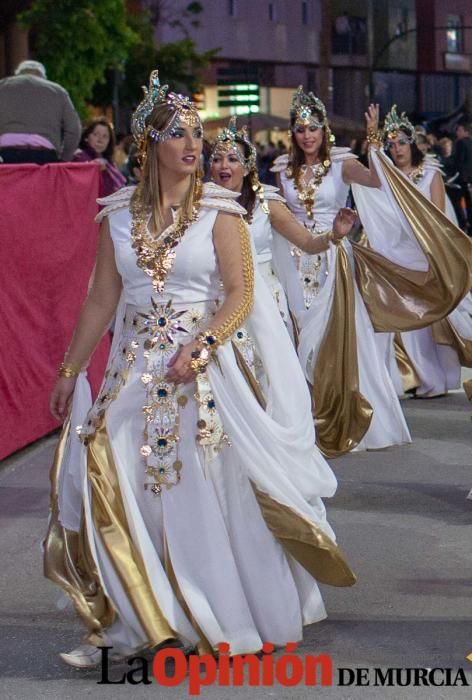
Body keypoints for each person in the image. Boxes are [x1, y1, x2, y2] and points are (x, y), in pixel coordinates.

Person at [46, 70, 355, 668]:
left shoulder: (223, 213)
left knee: (194, 486)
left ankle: (204, 612)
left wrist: (204, 345)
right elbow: (101, 301)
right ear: (149, 146)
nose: (193, 146)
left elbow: (240, 292)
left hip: (201, 376)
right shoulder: (116, 217)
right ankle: (134, 618)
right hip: (131, 373)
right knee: (110, 465)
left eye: (197, 135)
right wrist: (70, 369)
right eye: (177, 135)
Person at [271, 87, 411, 457]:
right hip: (293, 260)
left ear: (325, 130)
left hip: (334, 258)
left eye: (314, 128)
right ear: (293, 134)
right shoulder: (281, 171)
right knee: (298, 337)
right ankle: (311, 417)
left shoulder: (342, 165)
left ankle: (346, 416)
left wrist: (374, 140)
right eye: (301, 129)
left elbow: (379, 181)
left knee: (337, 336)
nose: (308, 135)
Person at [209, 117, 355, 337]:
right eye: (217, 159)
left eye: (233, 159)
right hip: (216, 306)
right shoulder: (199, 207)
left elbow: (307, 242)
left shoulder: (266, 203)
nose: (224, 166)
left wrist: (334, 234)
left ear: (248, 168)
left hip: (263, 303)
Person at [363, 106, 472, 397]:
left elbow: (437, 218)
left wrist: (435, 255)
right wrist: (372, 133)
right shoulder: (386, 178)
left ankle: (435, 376)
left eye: (401, 142)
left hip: (425, 255)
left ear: (412, 144)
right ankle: (410, 376)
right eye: (391, 144)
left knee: (432, 318)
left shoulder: (430, 174)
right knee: (404, 317)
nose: (396, 149)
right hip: (396, 254)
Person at [0, 60, 81, 164]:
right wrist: (65, 158)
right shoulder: (58, 91)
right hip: (44, 156)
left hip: (5, 154)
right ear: (43, 76)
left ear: (17, 74)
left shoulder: (2, 86)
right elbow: (74, 129)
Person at [73, 117, 126, 197]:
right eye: (96, 134)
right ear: (86, 137)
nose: (100, 140)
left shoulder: (108, 163)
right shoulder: (80, 158)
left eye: (105, 136)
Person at [451, 120, 472, 234]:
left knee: (456, 201)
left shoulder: (460, 143)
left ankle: (461, 224)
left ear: (465, 131)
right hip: (470, 179)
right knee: (469, 203)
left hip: (461, 179)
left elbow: (458, 162)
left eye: (458, 130)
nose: (456, 133)